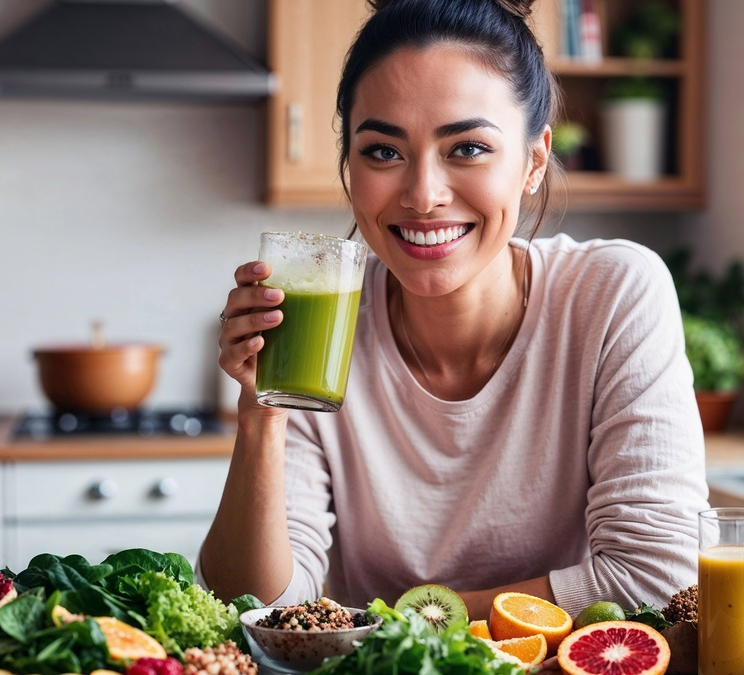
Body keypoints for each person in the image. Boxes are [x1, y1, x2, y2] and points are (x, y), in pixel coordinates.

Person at [202, 0, 708, 621]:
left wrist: (403, 622)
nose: (423, 195)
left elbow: (657, 575)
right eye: (383, 152)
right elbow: (255, 604)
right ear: (348, 166)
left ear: (534, 161)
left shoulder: (611, 293)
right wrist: (261, 416)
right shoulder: (322, 328)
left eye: (467, 148)